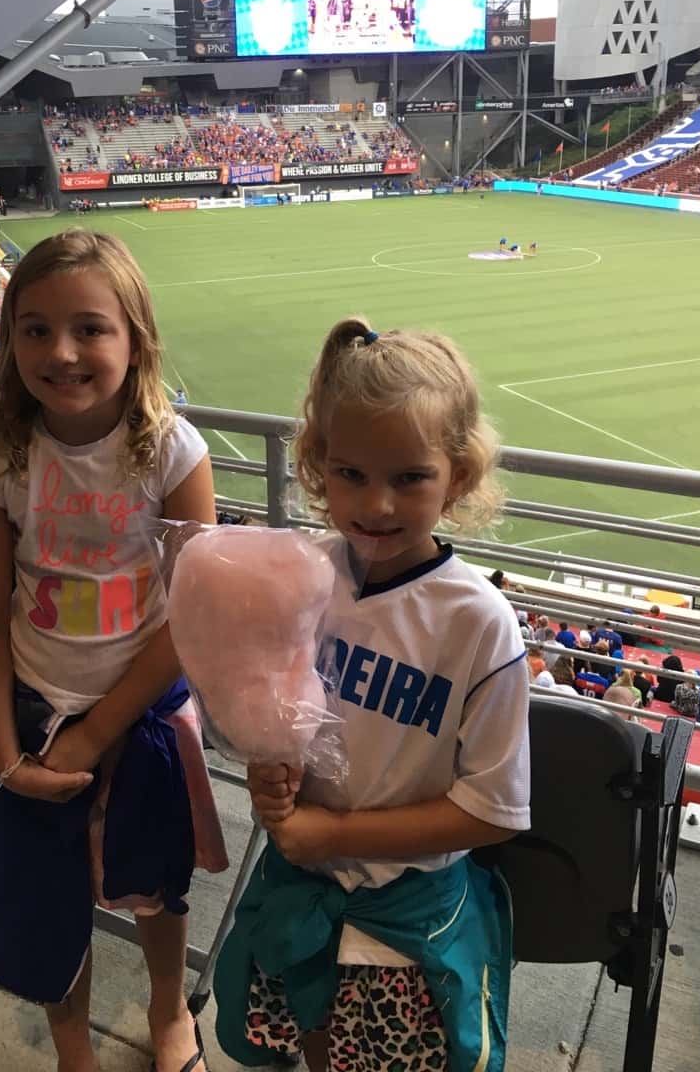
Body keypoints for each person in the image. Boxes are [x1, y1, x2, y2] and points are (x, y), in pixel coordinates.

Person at [216, 317, 531, 1072]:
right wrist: (269, 771)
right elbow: (271, 715)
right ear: (318, 464)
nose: (377, 504)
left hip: (407, 920)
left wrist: (333, 835)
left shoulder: (479, 626)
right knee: (313, 1044)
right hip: (302, 883)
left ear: (457, 475)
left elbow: (489, 812)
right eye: (351, 473)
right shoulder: (301, 577)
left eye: (409, 477)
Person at [0, 230, 226, 1072]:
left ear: (135, 337)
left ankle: (168, 1007)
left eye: (89, 328)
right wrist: (7, 757)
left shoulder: (173, 454)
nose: (61, 352)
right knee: (44, 894)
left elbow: (190, 621)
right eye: (34, 328)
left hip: (139, 713)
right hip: (27, 711)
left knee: (153, 883)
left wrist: (91, 736)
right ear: (9, 339)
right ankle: (73, 1045)